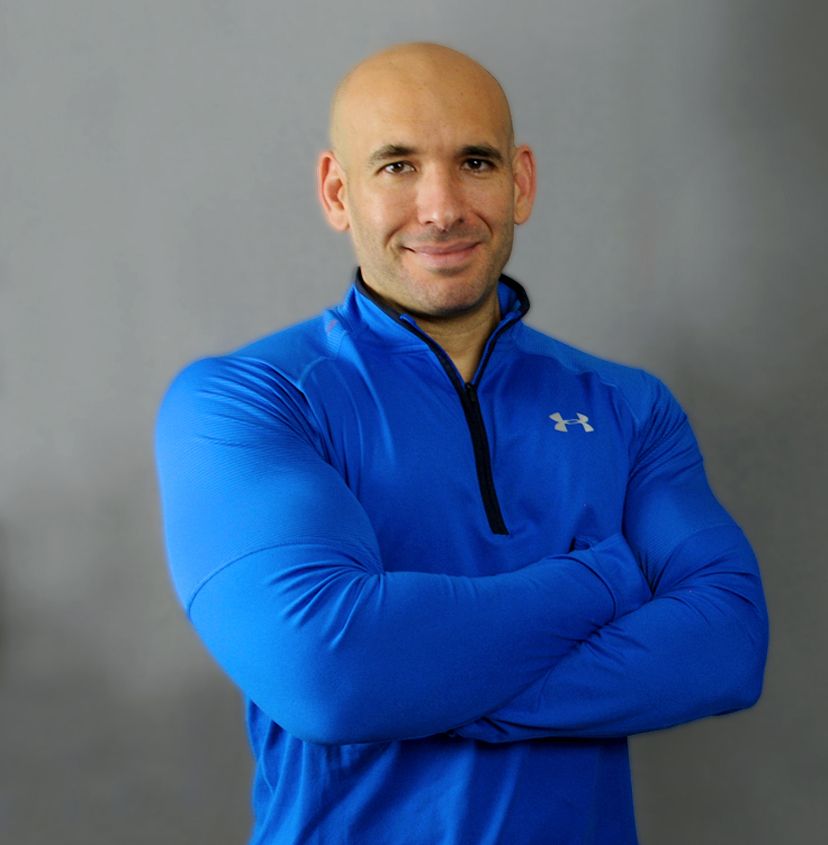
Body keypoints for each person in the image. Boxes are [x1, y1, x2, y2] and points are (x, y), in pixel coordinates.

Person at [154, 42, 769, 845]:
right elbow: (331, 675)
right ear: (338, 192)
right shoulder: (250, 399)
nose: (441, 207)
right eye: (398, 166)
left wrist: (422, 684)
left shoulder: (629, 406)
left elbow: (727, 645)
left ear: (521, 182)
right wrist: (610, 575)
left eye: (474, 162)